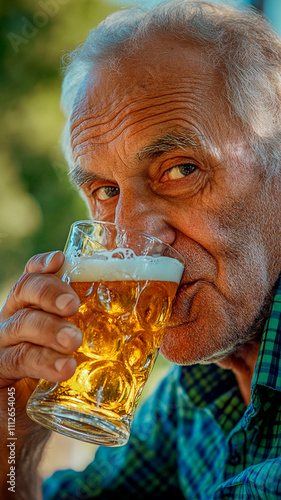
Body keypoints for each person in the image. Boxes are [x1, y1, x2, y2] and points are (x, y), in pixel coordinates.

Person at [1, 0, 281, 498]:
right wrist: (11, 423)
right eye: (106, 192)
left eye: (179, 170)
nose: (130, 236)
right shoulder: (190, 399)